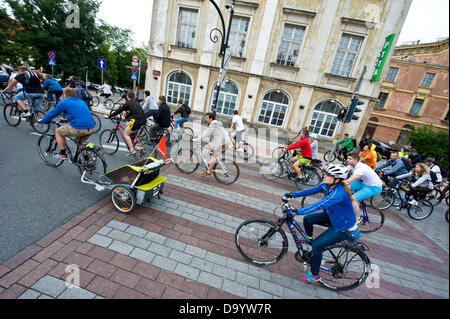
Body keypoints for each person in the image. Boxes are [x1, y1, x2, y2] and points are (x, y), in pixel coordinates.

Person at [284, 163, 359, 284]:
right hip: (334, 217)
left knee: (317, 246)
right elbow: (311, 190)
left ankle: (315, 275)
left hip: (342, 227)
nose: (324, 175)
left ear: (337, 179)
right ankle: (309, 239)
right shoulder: (328, 186)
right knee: (308, 219)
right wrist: (292, 194)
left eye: (328, 175)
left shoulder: (338, 193)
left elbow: (319, 205)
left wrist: (297, 211)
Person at [38, 88, 95, 160]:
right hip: (90, 127)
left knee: (58, 131)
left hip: (79, 127)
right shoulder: (81, 102)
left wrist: (44, 120)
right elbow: (79, 114)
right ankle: (87, 160)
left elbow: (53, 113)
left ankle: (62, 153)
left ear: (65, 95)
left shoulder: (65, 102)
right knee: (79, 142)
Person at [104, 91, 147, 156]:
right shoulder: (136, 102)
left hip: (137, 120)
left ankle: (132, 150)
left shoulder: (128, 103)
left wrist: (109, 116)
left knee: (126, 134)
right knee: (128, 127)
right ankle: (131, 146)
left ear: (127, 97)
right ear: (133, 97)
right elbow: (132, 112)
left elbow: (119, 110)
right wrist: (125, 117)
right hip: (143, 120)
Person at [344, 153, 383, 220]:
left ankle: (357, 218)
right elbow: (342, 172)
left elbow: (348, 181)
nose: (347, 160)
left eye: (350, 159)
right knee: (344, 188)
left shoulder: (360, 168)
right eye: (347, 158)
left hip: (373, 187)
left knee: (353, 199)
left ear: (356, 160)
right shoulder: (351, 165)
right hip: (362, 181)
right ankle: (349, 205)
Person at [193, 112, 231, 177]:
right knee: (208, 150)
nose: (206, 119)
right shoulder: (217, 124)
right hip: (223, 142)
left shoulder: (213, 126)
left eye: (207, 118)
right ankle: (210, 165)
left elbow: (205, 134)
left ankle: (208, 171)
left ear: (211, 119)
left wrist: (196, 139)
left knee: (213, 156)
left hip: (222, 143)